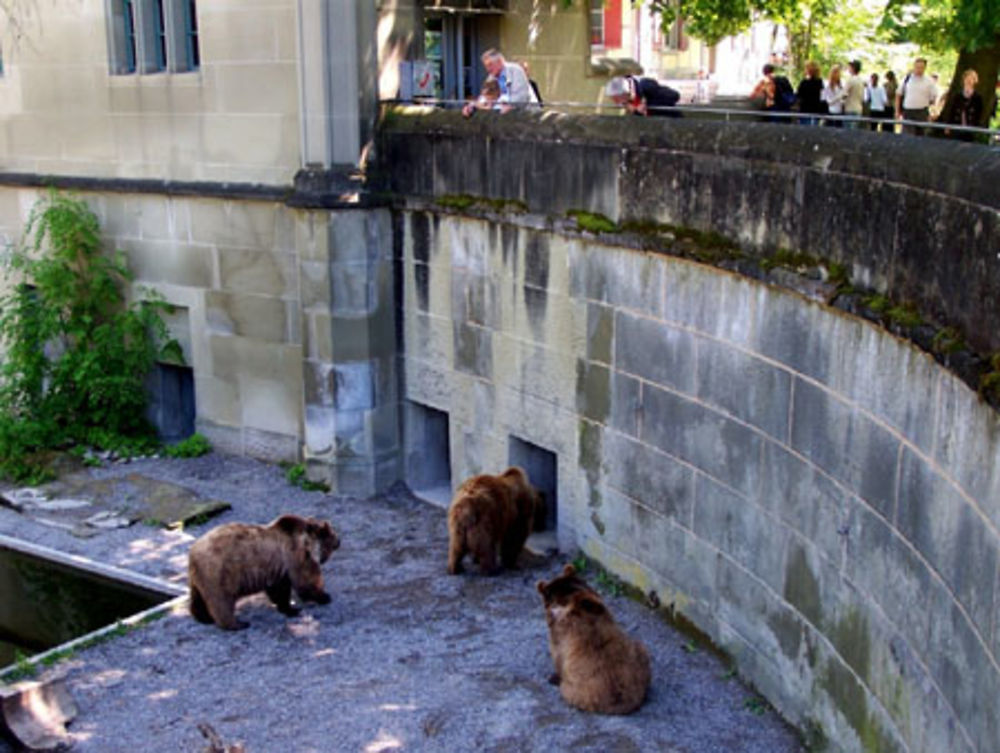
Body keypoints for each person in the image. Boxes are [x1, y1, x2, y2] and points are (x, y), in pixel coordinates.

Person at [896, 58, 938, 136]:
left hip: (922, 112)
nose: (919, 70)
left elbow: (933, 98)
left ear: (925, 68)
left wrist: (932, 111)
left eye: (921, 67)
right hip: (908, 111)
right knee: (907, 135)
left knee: (921, 134)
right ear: (914, 67)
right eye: (917, 67)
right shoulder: (907, 79)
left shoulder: (929, 81)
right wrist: (897, 111)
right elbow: (898, 94)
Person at [605, 75, 681, 117]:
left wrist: (647, 103)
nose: (617, 103)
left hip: (671, 121)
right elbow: (639, 115)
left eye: (616, 99)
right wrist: (636, 111)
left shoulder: (645, 85)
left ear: (623, 93)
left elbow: (675, 96)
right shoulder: (628, 102)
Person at [945, 69, 984, 141]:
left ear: (975, 81)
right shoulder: (957, 95)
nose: (969, 81)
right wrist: (948, 126)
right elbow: (952, 111)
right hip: (956, 126)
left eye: (971, 79)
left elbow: (979, 114)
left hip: (970, 127)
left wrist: (977, 127)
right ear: (964, 80)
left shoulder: (978, 97)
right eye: (967, 78)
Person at [796, 61, 826, 126]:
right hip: (816, 111)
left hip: (805, 110)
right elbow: (823, 97)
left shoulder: (804, 83)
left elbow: (798, 96)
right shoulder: (820, 82)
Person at [843, 60, 864, 128]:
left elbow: (843, 94)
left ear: (853, 68)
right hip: (858, 109)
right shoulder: (861, 81)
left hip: (850, 109)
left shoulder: (850, 80)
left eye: (850, 67)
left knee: (848, 132)